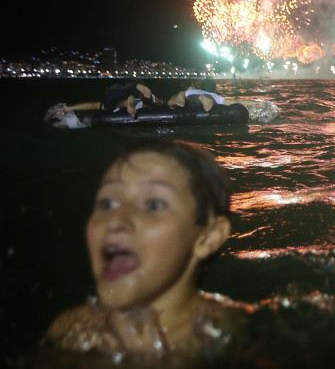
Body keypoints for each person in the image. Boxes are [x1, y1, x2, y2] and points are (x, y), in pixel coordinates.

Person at [41, 138, 253, 364]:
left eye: (153, 205)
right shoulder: (69, 330)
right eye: (107, 203)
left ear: (208, 237)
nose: (115, 220)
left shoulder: (233, 336)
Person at [63, 82, 163, 117]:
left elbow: (93, 105)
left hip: (114, 92)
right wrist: (129, 105)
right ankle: (67, 108)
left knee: (98, 105)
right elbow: (130, 98)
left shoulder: (132, 92)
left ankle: (66, 108)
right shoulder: (134, 94)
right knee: (132, 95)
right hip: (117, 95)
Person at [167, 78, 261, 113]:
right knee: (201, 100)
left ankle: (180, 95)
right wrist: (257, 103)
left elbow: (169, 102)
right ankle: (203, 98)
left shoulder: (193, 91)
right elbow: (238, 102)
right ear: (214, 89)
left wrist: (183, 93)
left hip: (190, 95)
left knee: (176, 100)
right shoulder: (215, 96)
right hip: (207, 98)